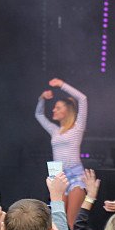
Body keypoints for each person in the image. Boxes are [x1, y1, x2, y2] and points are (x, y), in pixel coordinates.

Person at [35, 78, 88, 221]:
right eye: (54, 107)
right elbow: (39, 115)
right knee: (57, 220)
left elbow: (82, 99)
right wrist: (42, 98)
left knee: (71, 222)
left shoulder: (77, 128)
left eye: (58, 107)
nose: (54, 110)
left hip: (76, 176)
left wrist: (62, 85)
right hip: (59, 176)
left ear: (67, 110)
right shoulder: (55, 130)